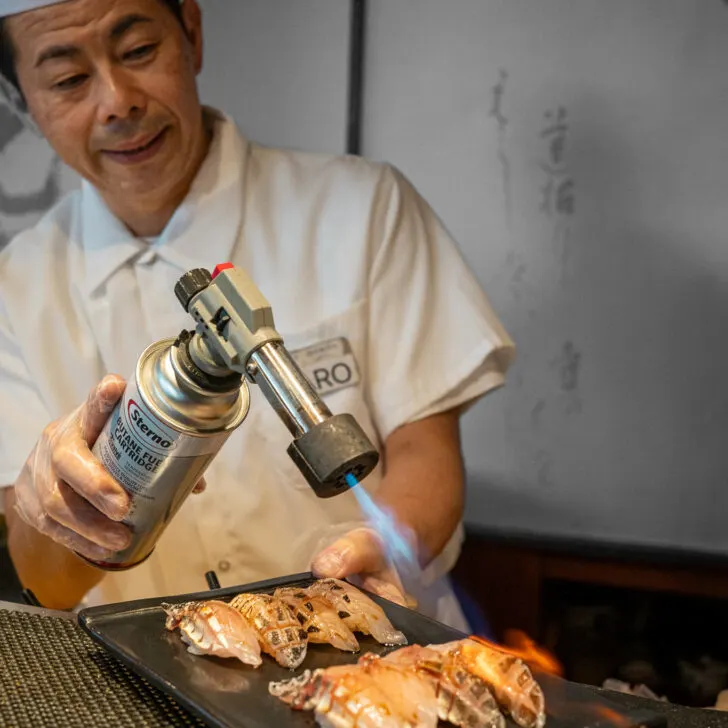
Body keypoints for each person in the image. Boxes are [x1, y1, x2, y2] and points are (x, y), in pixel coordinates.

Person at [0, 0, 515, 629]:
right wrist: (55, 504)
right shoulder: (15, 289)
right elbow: (45, 584)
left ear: (191, 32)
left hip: (373, 644)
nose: (117, 102)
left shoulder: (361, 209)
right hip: (144, 689)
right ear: (21, 98)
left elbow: (425, 457)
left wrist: (384, 548)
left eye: (138, 52)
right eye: (68, 80)